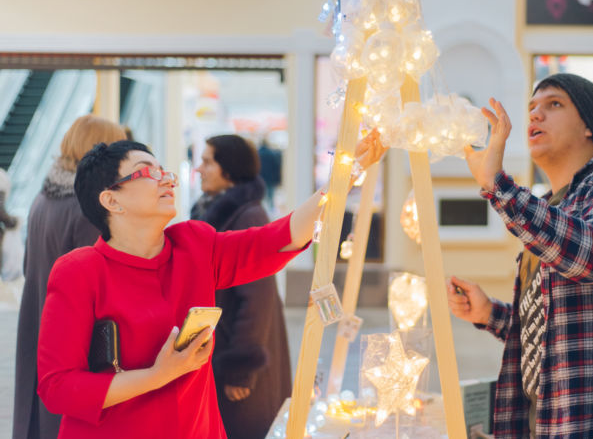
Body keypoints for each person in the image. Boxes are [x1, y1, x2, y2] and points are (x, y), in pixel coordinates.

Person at [36, 132, 385, 438]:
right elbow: (58, 387)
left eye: (165, 172)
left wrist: (345, 174)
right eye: (148, 172)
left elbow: (281, 238)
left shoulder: (194, 245)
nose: (167, 180)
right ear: (111, 200)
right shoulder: (79, 271)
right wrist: (158, 375)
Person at [448, 74, 593, 438]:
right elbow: (551, 331)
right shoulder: (546, 209)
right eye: (531, 108)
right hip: (551, 423)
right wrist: (489, 313)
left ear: (589, 125)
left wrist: (497, 184)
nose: (535, 115)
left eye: (553, 104)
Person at [13, 115, 126, 439]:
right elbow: (98, 282)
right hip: (70, 335)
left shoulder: (43, 197)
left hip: (36, 320)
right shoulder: (87, 206)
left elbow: (27, 266)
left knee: (36, 415)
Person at [190, 134, 289, 439]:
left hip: (243, 356)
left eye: (208, 161)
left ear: (229, 169)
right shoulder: (213, 210)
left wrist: (241, 368)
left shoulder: (247, 216)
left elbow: (255, 300)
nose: (199, 169)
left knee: (243, 427)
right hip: (221, 345)